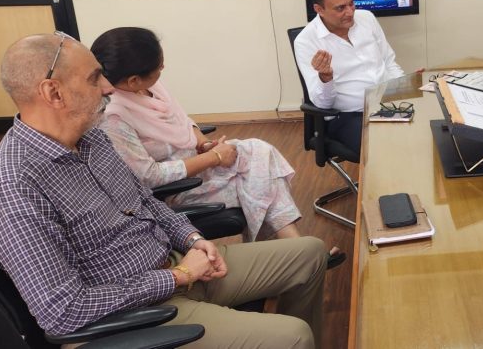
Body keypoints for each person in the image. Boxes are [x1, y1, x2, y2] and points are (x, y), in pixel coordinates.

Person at [0, 33, 326, 347]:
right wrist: (178, 277)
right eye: (95, 78)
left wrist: (192, 239)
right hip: (134, 313)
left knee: (310, 253)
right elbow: (63, 311)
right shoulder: (15, 184)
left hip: (175, 265)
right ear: (54, 93)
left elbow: (145, 200)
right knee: (294, 336)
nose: (108, 87)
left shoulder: (91, 137)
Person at [90, 27, 345, 268]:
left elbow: (184, 121)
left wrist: (203, 143)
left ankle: (286, 256)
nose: (163, 68)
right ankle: (296, 253)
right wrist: (213, 158)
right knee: (263, 180)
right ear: (133, 80)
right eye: (158, 67)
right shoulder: (114, 118)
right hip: (180, 188)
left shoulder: (149, 88)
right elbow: (150, 176)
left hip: (199, 163)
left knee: (260, 152)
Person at [294, 0, 405, 155]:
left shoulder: (367, 18)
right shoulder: (306, 42)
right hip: (348, 116)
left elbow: (389, 62)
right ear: (319, 9)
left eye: (351, 3)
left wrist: (405, 87)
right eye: (340, 8)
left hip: (386, 102)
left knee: (425, 130)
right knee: (386, 148)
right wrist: (326, 78)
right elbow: (322, 104)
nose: (350, 12)